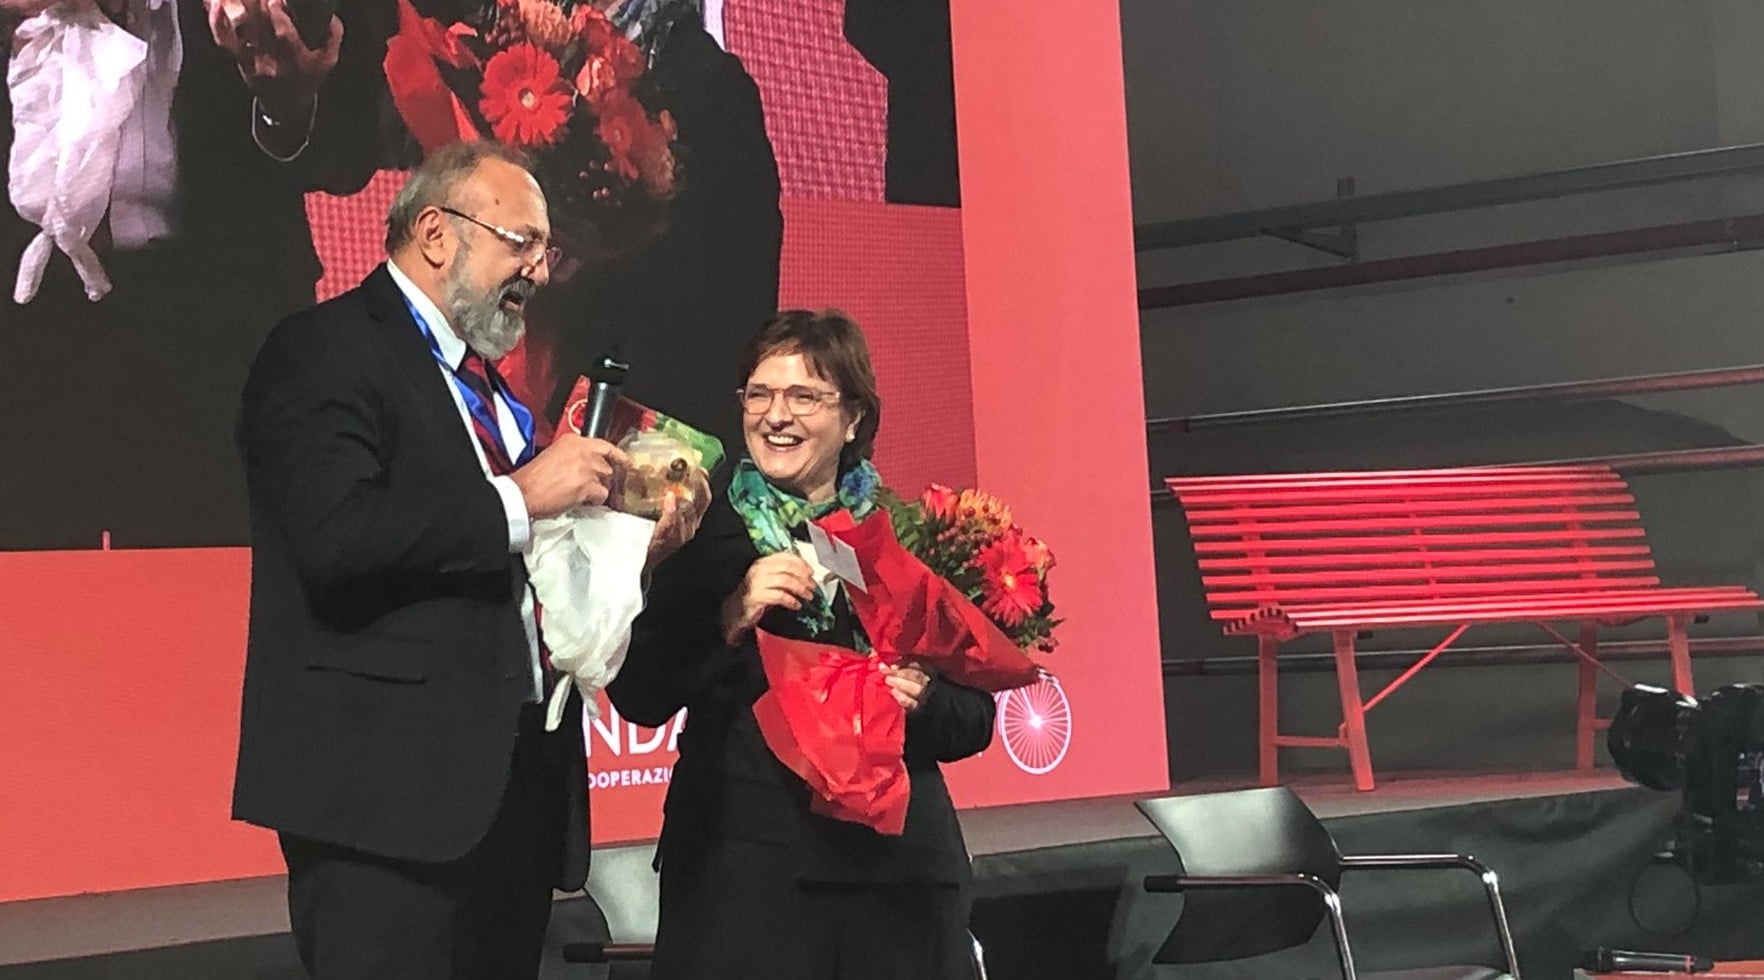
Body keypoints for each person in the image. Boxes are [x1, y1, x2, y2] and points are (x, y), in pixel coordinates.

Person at [232, 140, 704, 980]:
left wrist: (638, 548)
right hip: (383, 811)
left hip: (509, 801)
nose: (539, 269)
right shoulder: (323, 349)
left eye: (546, 250)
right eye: (520, 241)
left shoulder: (493, 394)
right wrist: (525, 495)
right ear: (436, 232)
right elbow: (338, 536)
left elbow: (525, 572)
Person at [608, 309, 994, 980]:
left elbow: (977, 715)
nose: (774, 415)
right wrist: (729, 615)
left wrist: (924, 700)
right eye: (759, 394)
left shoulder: (908, 538)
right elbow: (638, 691)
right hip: (747, 884)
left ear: (854, 418)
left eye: (803, 397)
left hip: (897, 880)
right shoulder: (693, 533)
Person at [0, 0, 391, 550]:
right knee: (24, 612)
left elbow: (350, 153)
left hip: (219, 329)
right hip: (22, 329)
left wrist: (286, 103)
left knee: (206, 609)